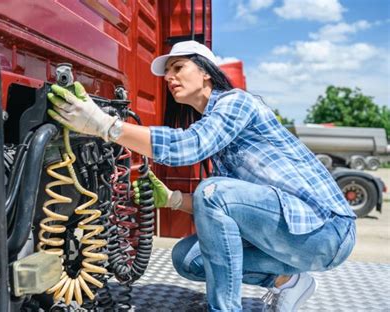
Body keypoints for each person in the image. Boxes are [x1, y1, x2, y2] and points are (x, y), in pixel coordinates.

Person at [47, 40, 356, 312]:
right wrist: (173, 199)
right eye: (168, 73)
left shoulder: (236, 102)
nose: (169, 78)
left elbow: (190, 149)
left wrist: (106, 125)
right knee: (187, 258)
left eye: (178, 67)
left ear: (206, 71)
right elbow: (231, 207)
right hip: (290, 233)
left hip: (326, 231)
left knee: (213, 191)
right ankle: (289, 281)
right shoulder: (218, 134)